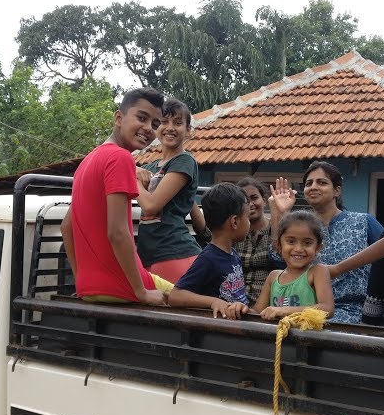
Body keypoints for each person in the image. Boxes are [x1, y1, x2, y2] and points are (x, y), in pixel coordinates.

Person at [60, 87, 171, 305]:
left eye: (154, 124)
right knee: (200, 300)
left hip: (89, 288)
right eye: (142, 118)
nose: (148, 128)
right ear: (119, 118)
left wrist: (81, 280)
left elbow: (66, 226)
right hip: (122, 286)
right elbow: (118, 232)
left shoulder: (88, 161)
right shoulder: (120, 158)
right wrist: (141, 292)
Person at [269, 161, 384, 324]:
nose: (313, 187)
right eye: (308, 183)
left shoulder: (363, 222)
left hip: (354, 312)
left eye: (321, 182)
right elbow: (278, 259)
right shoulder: (301, 226)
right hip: (305, 310)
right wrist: (280, 213)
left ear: (337, 190)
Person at [134, 98, 205, 283]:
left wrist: (132, 176)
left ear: (188, 130)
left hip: (175, 253)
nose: (170, 128)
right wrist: (132, 170)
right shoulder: (150, 167)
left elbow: (151, 206)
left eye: (178, 123)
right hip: (149, 255)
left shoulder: (185, 161)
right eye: (164, 122)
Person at [167, 182, 252, 320]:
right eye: (247, 217)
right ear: (235, 222)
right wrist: (213, 302)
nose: (249, 223)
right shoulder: (208, 259)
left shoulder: (233, 253)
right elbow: (175, 296)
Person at [253, 209, 335, 322]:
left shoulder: (317, 272)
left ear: (317, 248)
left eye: (307, 243)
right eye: (291, 241)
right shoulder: (273, 277)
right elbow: (257, 312)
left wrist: (284, 310)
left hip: (307, 333)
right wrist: (241, 308)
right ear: (279, 246)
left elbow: (327, 309)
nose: (298, 249)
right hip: (277, 333)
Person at [234, 177, 274, 304]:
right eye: (244, 200)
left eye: (254, 198)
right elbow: (206, 233)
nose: (250, 204)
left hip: (269, 303)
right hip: (236, 302)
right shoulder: (234, 231)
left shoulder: (276, 228)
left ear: (264, 201)